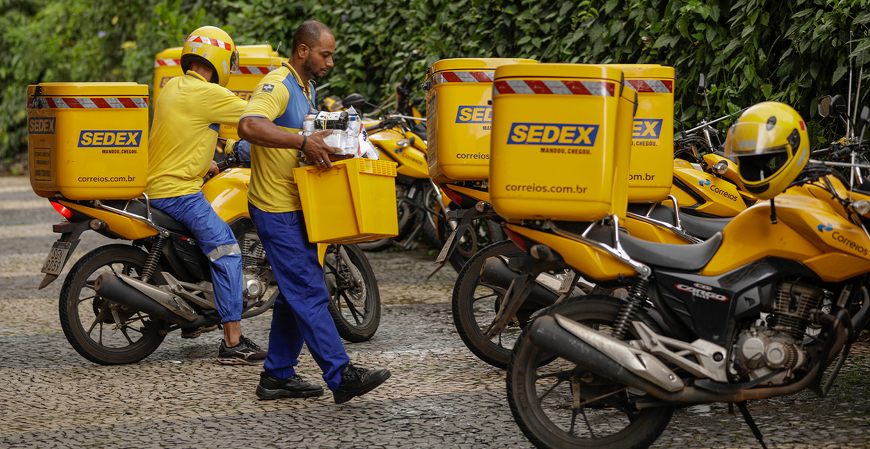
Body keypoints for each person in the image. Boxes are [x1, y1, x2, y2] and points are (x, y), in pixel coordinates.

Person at [238, 20, 391, 404]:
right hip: (275, 208)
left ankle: (277, 375)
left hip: (297, 205)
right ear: (303, 51)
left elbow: (301, 143)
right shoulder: (278, 84)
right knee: (308, 290)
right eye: (326, 54)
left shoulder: (307, 89)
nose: (331, 61)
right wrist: (303, 141)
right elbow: (249, 125)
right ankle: (341, 376)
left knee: (294, 294)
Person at [145, 25, 267, 365]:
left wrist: (209, 162)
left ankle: (192, 321)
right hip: (179, 193)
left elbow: (188, 133)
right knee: (227, 251)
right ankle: (233, 342)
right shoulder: (208, 94)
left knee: (204, 244)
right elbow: (257, 119)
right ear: (221, 59)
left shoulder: (172, 87)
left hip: (156, 186)